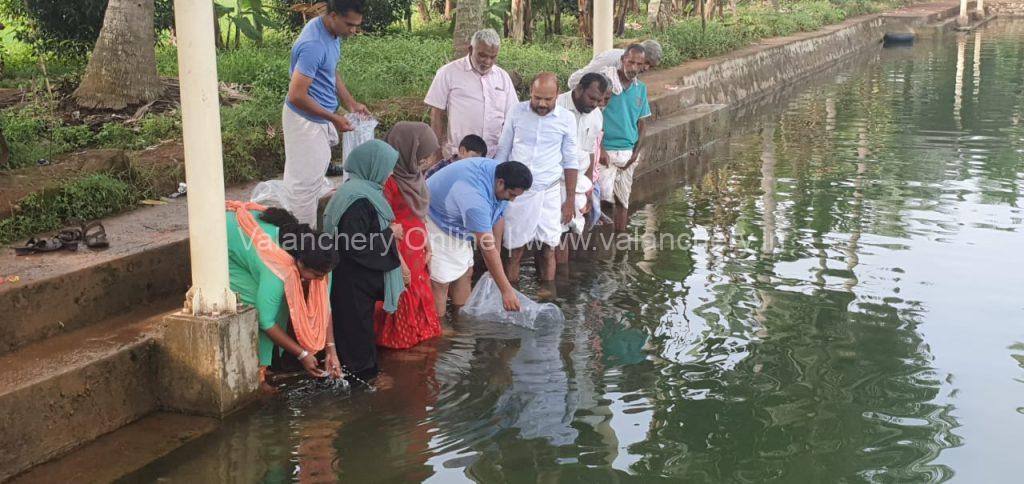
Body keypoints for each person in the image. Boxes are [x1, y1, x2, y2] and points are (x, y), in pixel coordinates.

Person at [225, 203, 341, 393]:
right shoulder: (279, 268)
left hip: (251, 236)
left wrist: (331, 351)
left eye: (323, 275)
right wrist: (302, 354)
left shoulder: (321, 263)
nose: (320, 280)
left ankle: (269, 364)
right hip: (224, 242)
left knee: (278, 299)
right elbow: (266, 320)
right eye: (316, 275)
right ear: (300, 263)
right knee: (261, 304)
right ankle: (258, 375)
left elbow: (324, 306)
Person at [323, 140, 407, 383]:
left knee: (359, 327)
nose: (390, 173)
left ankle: (363, 374)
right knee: (355, 330)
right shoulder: (357, 200)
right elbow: (354, 244)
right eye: (387, 167)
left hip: (354, 277)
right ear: (373, 165)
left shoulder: (360, 191)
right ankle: (361, 381)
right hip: (350, 279)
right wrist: (390, 234)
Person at [283, 0, 370, 228]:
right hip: (305, 122)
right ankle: (301, 244)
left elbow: (330, 71)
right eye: (349, 24)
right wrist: (333, 117)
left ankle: (304, 237)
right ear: (332, 15)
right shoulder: (314, 45)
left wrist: (350, 103)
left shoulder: (331, 34)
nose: (353, 30)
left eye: (357, 25)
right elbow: (296, 95)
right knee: (303, 189)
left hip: (319, 117)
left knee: (311, 181)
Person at [495, 72, 579, 283]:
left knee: (548, 248)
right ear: (530, 93)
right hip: (517, 193)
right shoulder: (516, 111)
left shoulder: (567, 119)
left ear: (558, 95)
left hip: (549, 191)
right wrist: (496, 190)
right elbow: (503, 150)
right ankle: (511, 297)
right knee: (514, 251)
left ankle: (547, 295)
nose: (541, 103)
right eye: (537, 97)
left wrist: (569, 200)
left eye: (547, 99)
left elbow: (571, 161)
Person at [426, 159, 533, 318]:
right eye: (511, 195)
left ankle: (461, 318)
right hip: (434, 218)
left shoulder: (498, 174)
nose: (512, 200)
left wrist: (495, 267)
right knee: (441, 280)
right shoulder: (474, 198)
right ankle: (438, 325)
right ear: (500, 183)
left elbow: (498, 217)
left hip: (457, 219)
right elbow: (487, 248)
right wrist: (506, 291)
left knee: (465, 272)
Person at [373, 122, 443, 349]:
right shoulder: (389, 181)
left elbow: (420, 214)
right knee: (402, 293)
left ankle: (419, 338)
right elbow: (383, 223)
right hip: (398, 248)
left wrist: (428, 244)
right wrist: (399, 262)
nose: (426, 161)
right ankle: (398, 345)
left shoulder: (415, 175)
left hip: (417, 246)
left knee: (420, 291)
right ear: (406, 150)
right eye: (422, 156)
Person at [425, 29, 518, 159]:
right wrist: (437, 152)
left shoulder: (503, 77)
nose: (487, 62)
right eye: (482, 55)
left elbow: (513, 117)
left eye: (493, 57)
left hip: (493, 156)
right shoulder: (448, 73)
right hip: (459, 155)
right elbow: (436, 114)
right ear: (470, 49)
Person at [600, 45, 651, 233]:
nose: (633, 67)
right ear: (623, 59)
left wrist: (635, 154)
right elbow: (594, 117)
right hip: (604, 151)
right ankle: (594, 247)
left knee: (622, 199)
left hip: (627, 152)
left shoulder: (641, 89)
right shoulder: (607, 85)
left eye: (638, 64)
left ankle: (619, 240)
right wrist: (600, 149)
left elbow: (642, 123)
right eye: (630, 62)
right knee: (601, 198)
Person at [556, 72, 607, 238]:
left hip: (579, 182)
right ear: (579, 89)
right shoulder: (557, 107)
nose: (594, 104)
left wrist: (589, 187)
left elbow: (590, 153)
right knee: (552, 238)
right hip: (555, 182)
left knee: (574, 231)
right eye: (591, 98)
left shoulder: (596, 116)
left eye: (598, 101)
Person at [567, 39, 663, 95]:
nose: (646, 68)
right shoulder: (610, 59)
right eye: (646, 62)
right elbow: (575, 81)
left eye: (650, 66)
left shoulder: (633, 74)